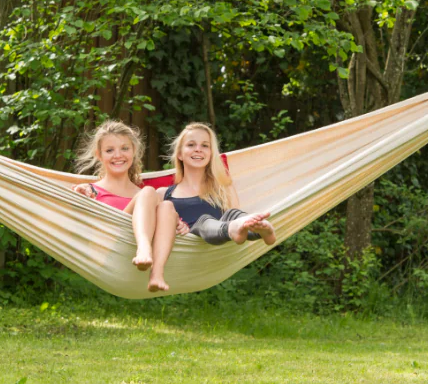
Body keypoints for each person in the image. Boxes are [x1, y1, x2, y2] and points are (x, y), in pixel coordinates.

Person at [72, 120, 177, 292]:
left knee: (165, 205)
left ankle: (157, 274)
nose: (118, 155)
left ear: (134, 151)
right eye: (109, 150)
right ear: (99, 155)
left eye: (125, 148)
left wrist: (177, 223)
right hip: (110, 248)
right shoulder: (90, 190)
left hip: (140, 251)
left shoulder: (146, 198)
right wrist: (79, 194)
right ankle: (143, 249)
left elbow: (166, 222)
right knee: (151, 192)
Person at [161, 122, 276, 246]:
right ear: (179, 154)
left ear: (211, 154)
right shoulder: (163, 194)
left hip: (220, 243)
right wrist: (175, 224)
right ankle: (234, 228)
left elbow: (236, 223)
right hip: (186, 247)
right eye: (191, 144)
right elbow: (154, 228)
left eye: (205, 145)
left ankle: (262, 230)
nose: (198, 149)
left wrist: (242, 222)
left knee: (233, 214)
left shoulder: (223, 187)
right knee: (204, 222)